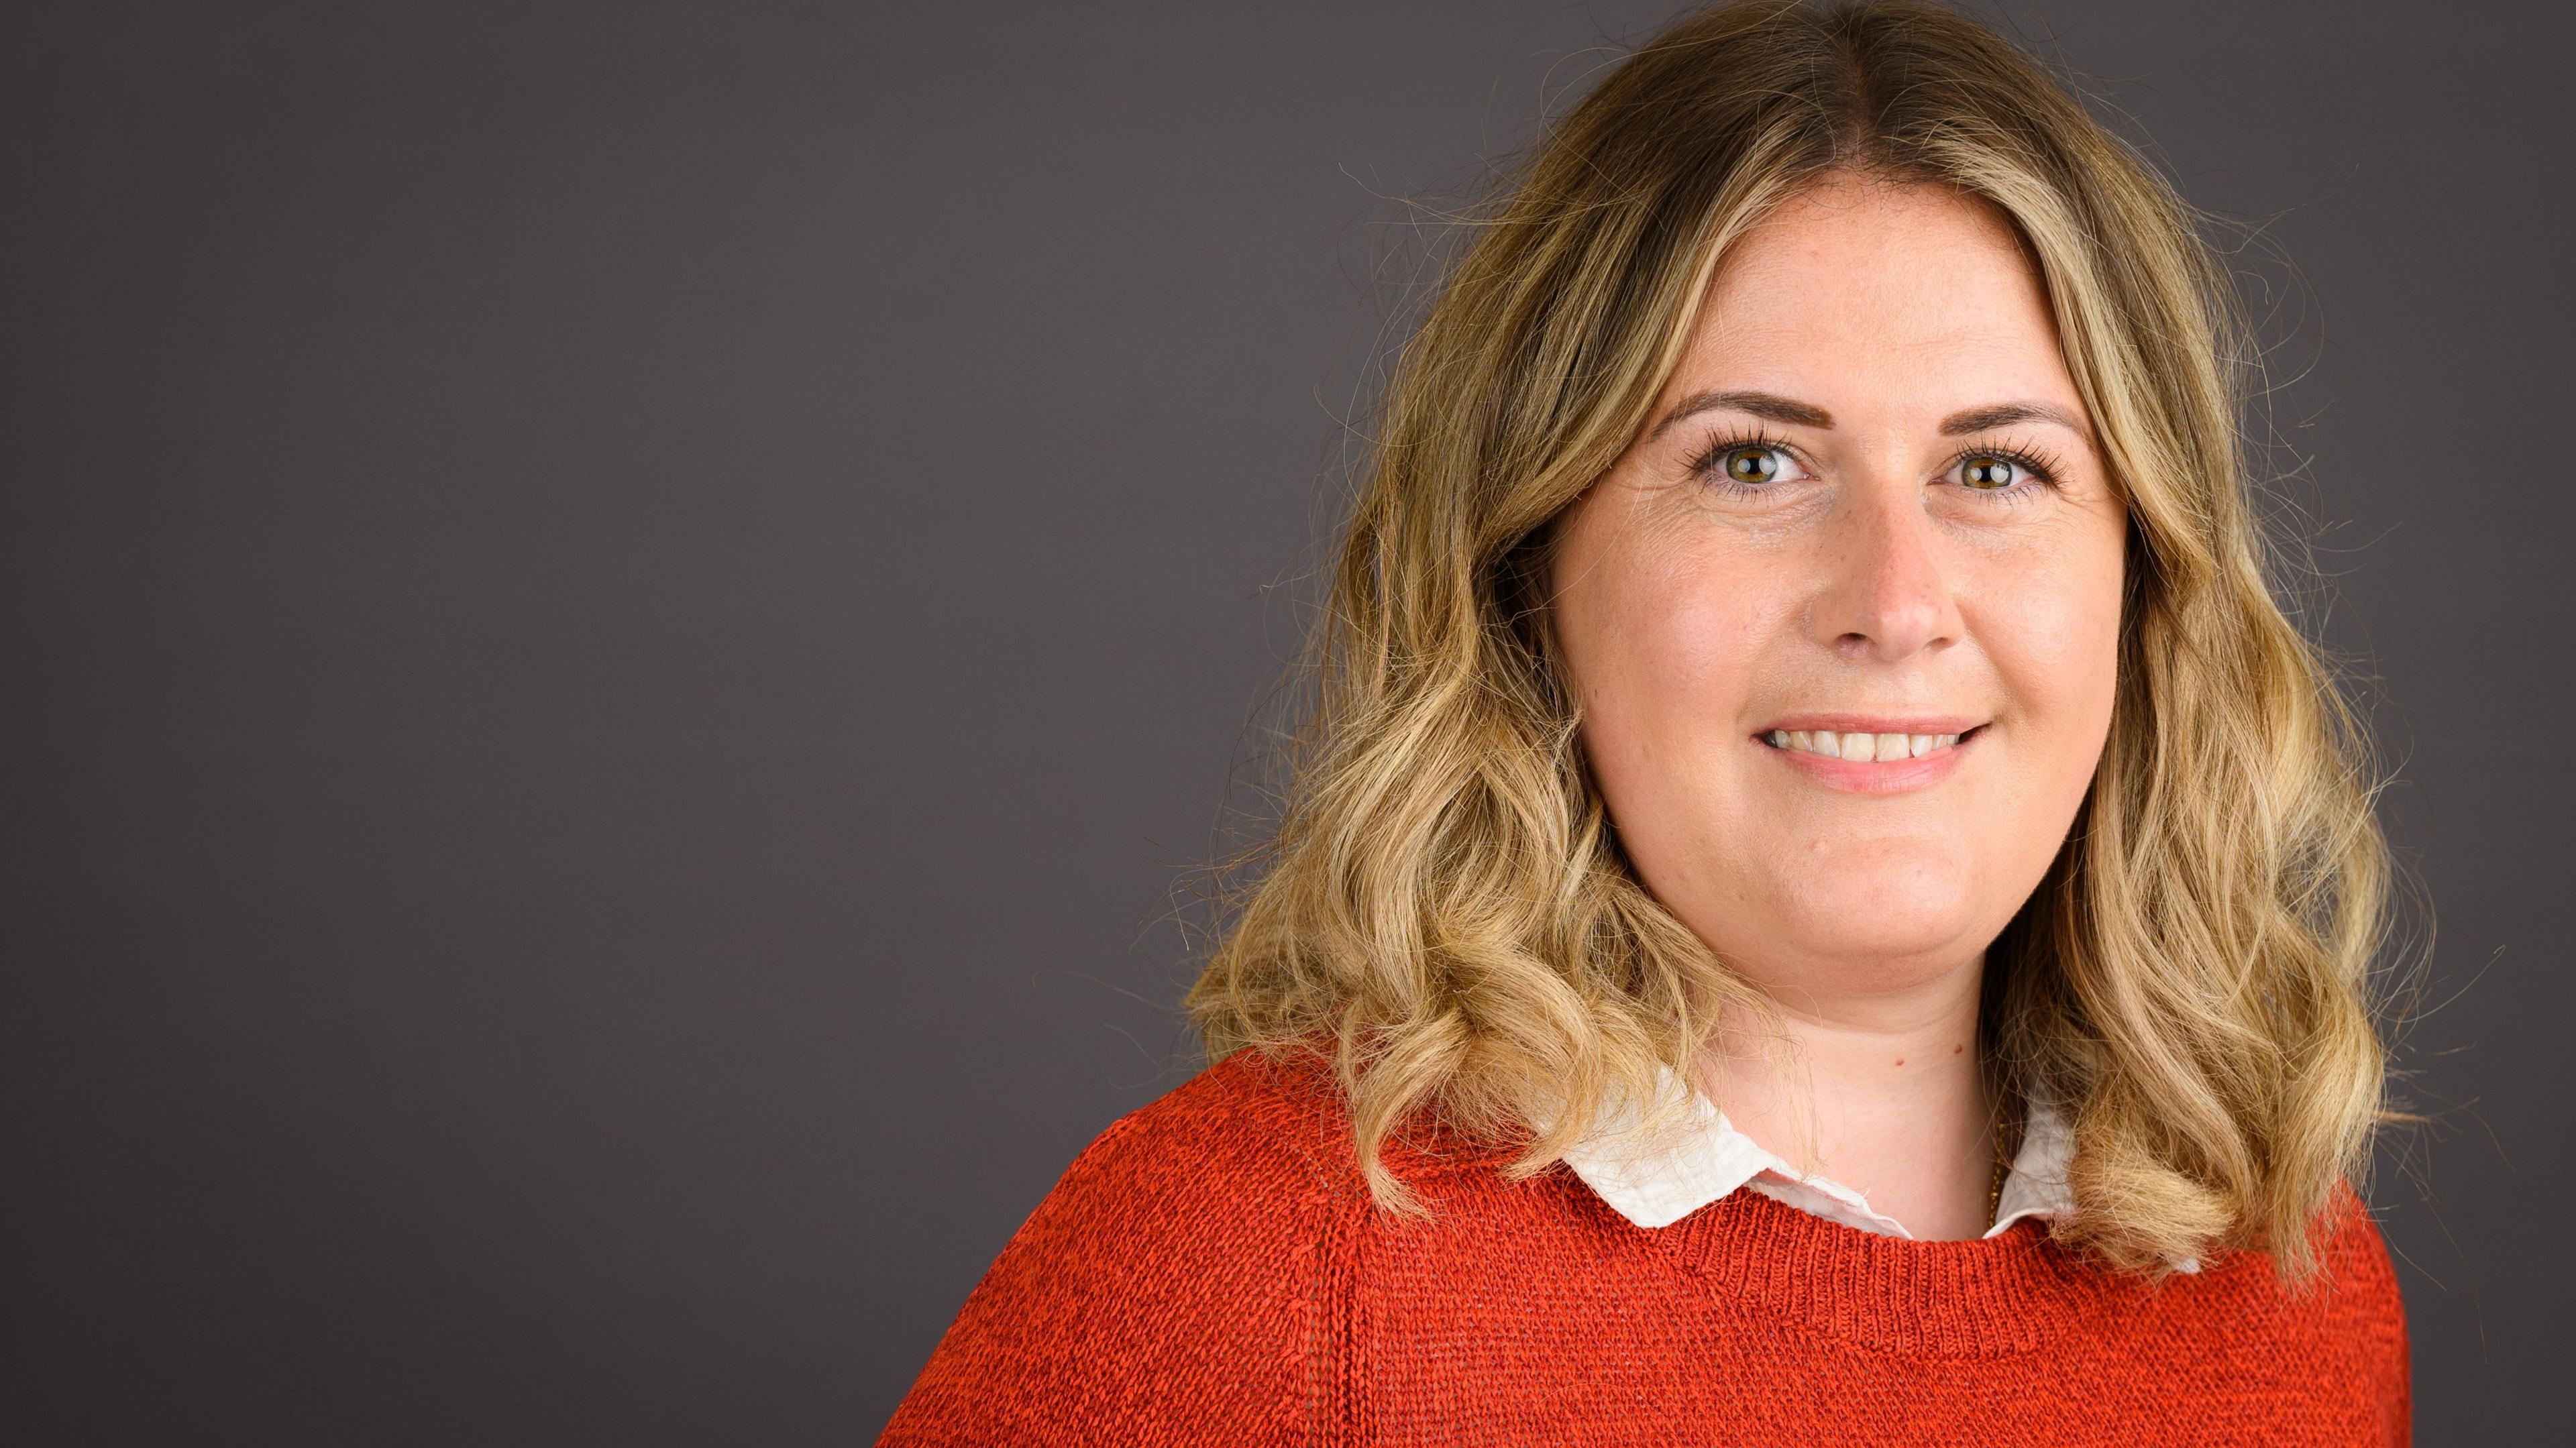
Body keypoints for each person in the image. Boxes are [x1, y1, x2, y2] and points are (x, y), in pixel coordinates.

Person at [879, 1, 2410, 1441]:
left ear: (2148, 587)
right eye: (1752, 463)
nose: (1894, 597)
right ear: (1530, 567)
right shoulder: (1246, 1274)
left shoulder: (2296, 1293)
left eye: (1997, 468)